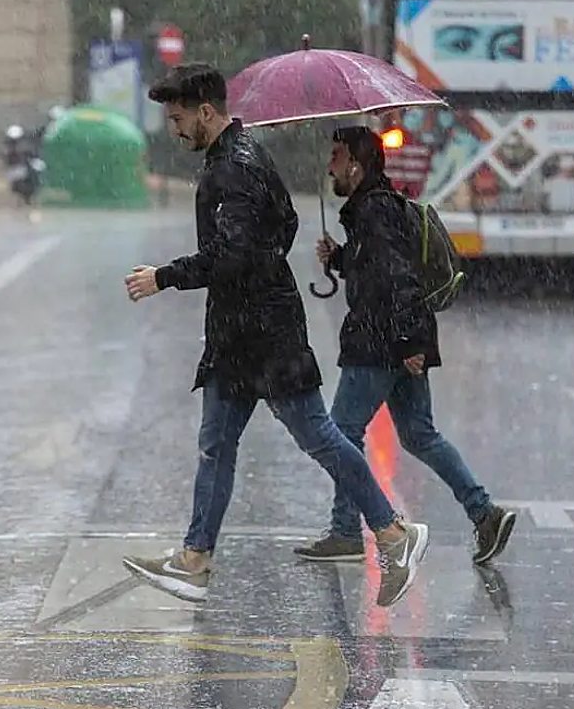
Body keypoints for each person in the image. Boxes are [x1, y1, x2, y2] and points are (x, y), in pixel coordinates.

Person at [120, 64, 429, 608]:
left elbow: (232, 255)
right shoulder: (242, 157)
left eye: (178, 118)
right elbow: (283, 224)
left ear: (206, 112)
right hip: (244, 331)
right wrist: (262, 264)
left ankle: (392, 533)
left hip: (264, 335)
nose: (174, 128)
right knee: (217, 444)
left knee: (318, 437)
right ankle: (195, 559)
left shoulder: (231, 170)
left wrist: (163, 277)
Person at [295, 126, 517, 566]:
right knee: (419, 435)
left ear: (357, 165)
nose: (330, 165)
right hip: (398, 340)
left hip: (382, 342)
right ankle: (484, 513)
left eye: (337, 156)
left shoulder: (373, 213)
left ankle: (345, 531)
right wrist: (340, 258)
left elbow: (399, 280)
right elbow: (379, 269)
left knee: (339, 433)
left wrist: (408, 342)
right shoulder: (372, 210)